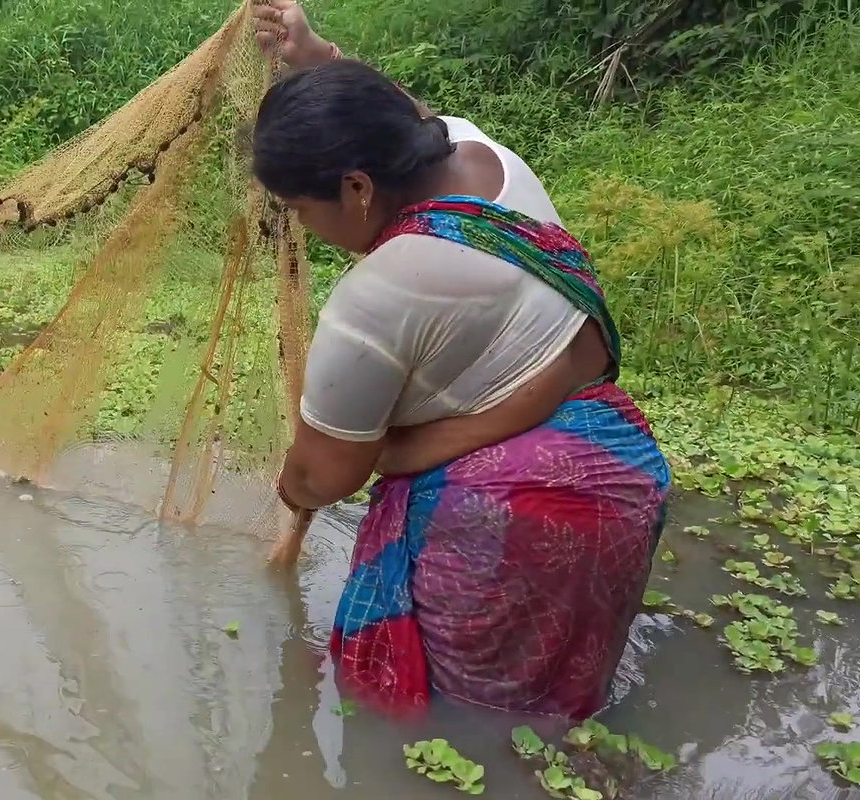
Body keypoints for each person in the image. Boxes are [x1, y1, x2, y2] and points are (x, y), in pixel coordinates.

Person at [252, 2, 671, 721]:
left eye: (298, 207)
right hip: (621, 475)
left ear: (357, 188)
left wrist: (294, 491)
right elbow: (402, 116)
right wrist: (317, 57)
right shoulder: (481, 153)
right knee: (572, 719)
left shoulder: (377, 295)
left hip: (504, 525)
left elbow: (327, 474)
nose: (300, 224)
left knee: (473, 731)